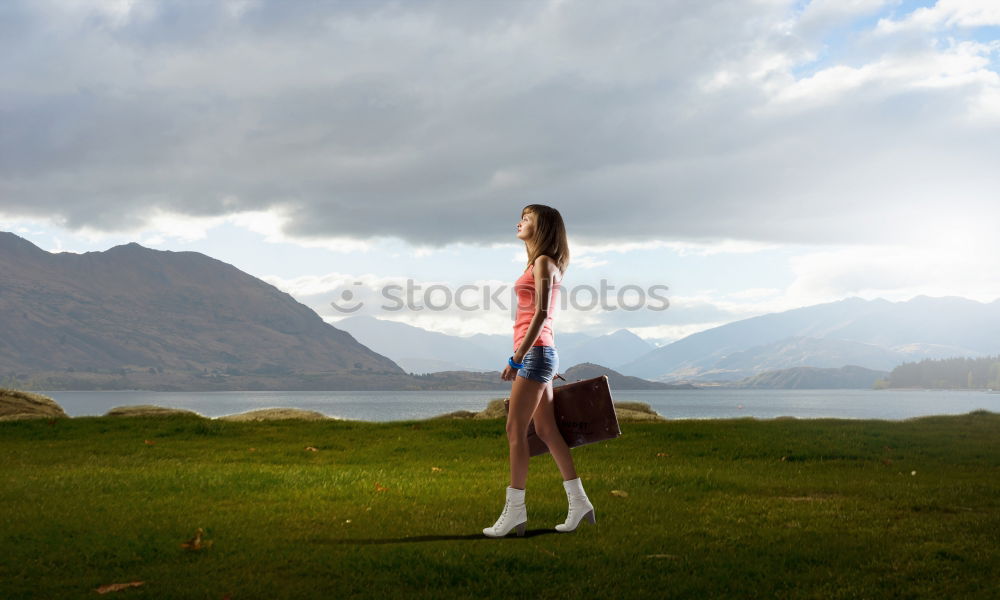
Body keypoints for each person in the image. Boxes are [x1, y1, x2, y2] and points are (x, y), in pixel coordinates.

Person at [482, 204, 596, 538]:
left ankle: (515, 513)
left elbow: (542, 313)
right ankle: (580, 502)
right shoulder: (537, 263)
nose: (519, 222)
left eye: (527, 219)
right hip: (540, 355)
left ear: (542, 227)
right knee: (546, 431)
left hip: (535, 355)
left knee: (515, 431)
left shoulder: (544, 262)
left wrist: (518, 358)